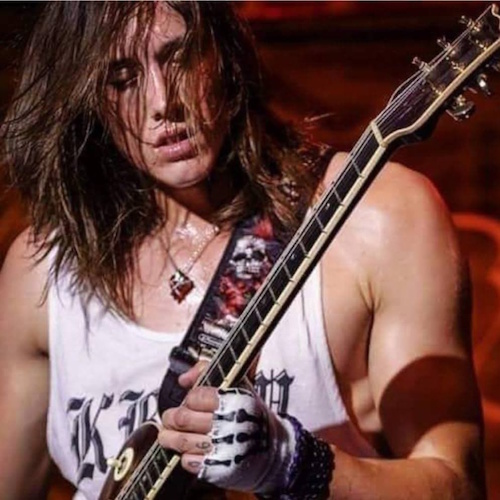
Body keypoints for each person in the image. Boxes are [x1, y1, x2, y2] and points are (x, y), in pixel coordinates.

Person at [0, 2, 485, 499]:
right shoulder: (42, 273)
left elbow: (457, 485)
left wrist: (291, 461)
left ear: (224, 53)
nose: (162, 101)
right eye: (121, 79)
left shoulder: (374, 215)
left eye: (181, 57)